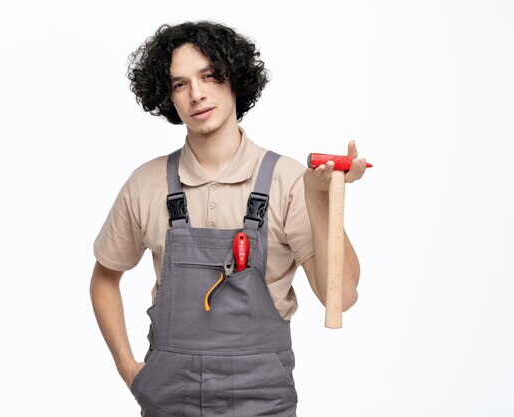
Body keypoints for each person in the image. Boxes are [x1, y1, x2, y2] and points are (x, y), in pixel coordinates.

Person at [90, 21, 367, 416]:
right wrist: (130, 370)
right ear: (168, 97)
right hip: (168, 399)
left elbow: (341, 297)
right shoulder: (146, 184)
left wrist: (319, 198)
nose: (197, 94)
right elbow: (104, 277)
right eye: (180, 84)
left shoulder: (289, 181)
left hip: (262, 401)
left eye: (209, 76)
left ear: (234, 79)